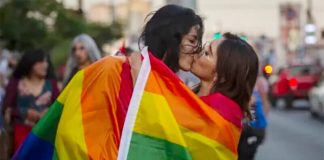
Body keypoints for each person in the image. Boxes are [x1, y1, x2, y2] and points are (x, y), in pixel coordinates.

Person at [2, 49, 59, 153]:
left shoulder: (52, 84)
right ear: (31, 63)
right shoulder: (16, 83)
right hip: (20, 135)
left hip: (45, 135)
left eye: (46, 62)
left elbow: (59, 108)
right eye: (41, 62)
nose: (45, 65)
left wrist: (48, 112)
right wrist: (25, 112)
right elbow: (6, 109)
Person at [238, 75, 270, 160]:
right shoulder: (239, 81)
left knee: (245, 154)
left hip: (253, 129)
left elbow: (264, 102)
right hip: (247, 129)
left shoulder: (260, 82)